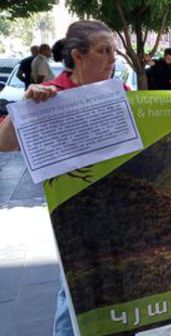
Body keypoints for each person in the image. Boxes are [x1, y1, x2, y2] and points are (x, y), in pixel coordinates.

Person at [0, 20, 126, 335]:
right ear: (78, 56)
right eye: (104, 50)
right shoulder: (50, 95)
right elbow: (5, 144)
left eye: (114, 51)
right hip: (74, 219)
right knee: (74, 295)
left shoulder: (120, 91)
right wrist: (27, 105)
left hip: (118, 212)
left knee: (120, 291)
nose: (112, 59)